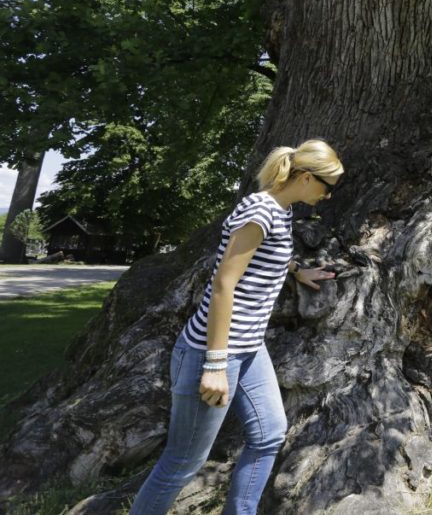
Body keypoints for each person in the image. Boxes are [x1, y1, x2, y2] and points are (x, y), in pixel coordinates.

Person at [130, 139, 344, 515]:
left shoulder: (281, 210)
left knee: (269, 435)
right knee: (183, 462)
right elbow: (224, 284)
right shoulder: (260, 209)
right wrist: (214, 364)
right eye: (327, 188)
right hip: (212, 352)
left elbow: (267, 253)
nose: (328, 197)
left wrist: (297, 270)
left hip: (249, 348)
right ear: (307, 177)